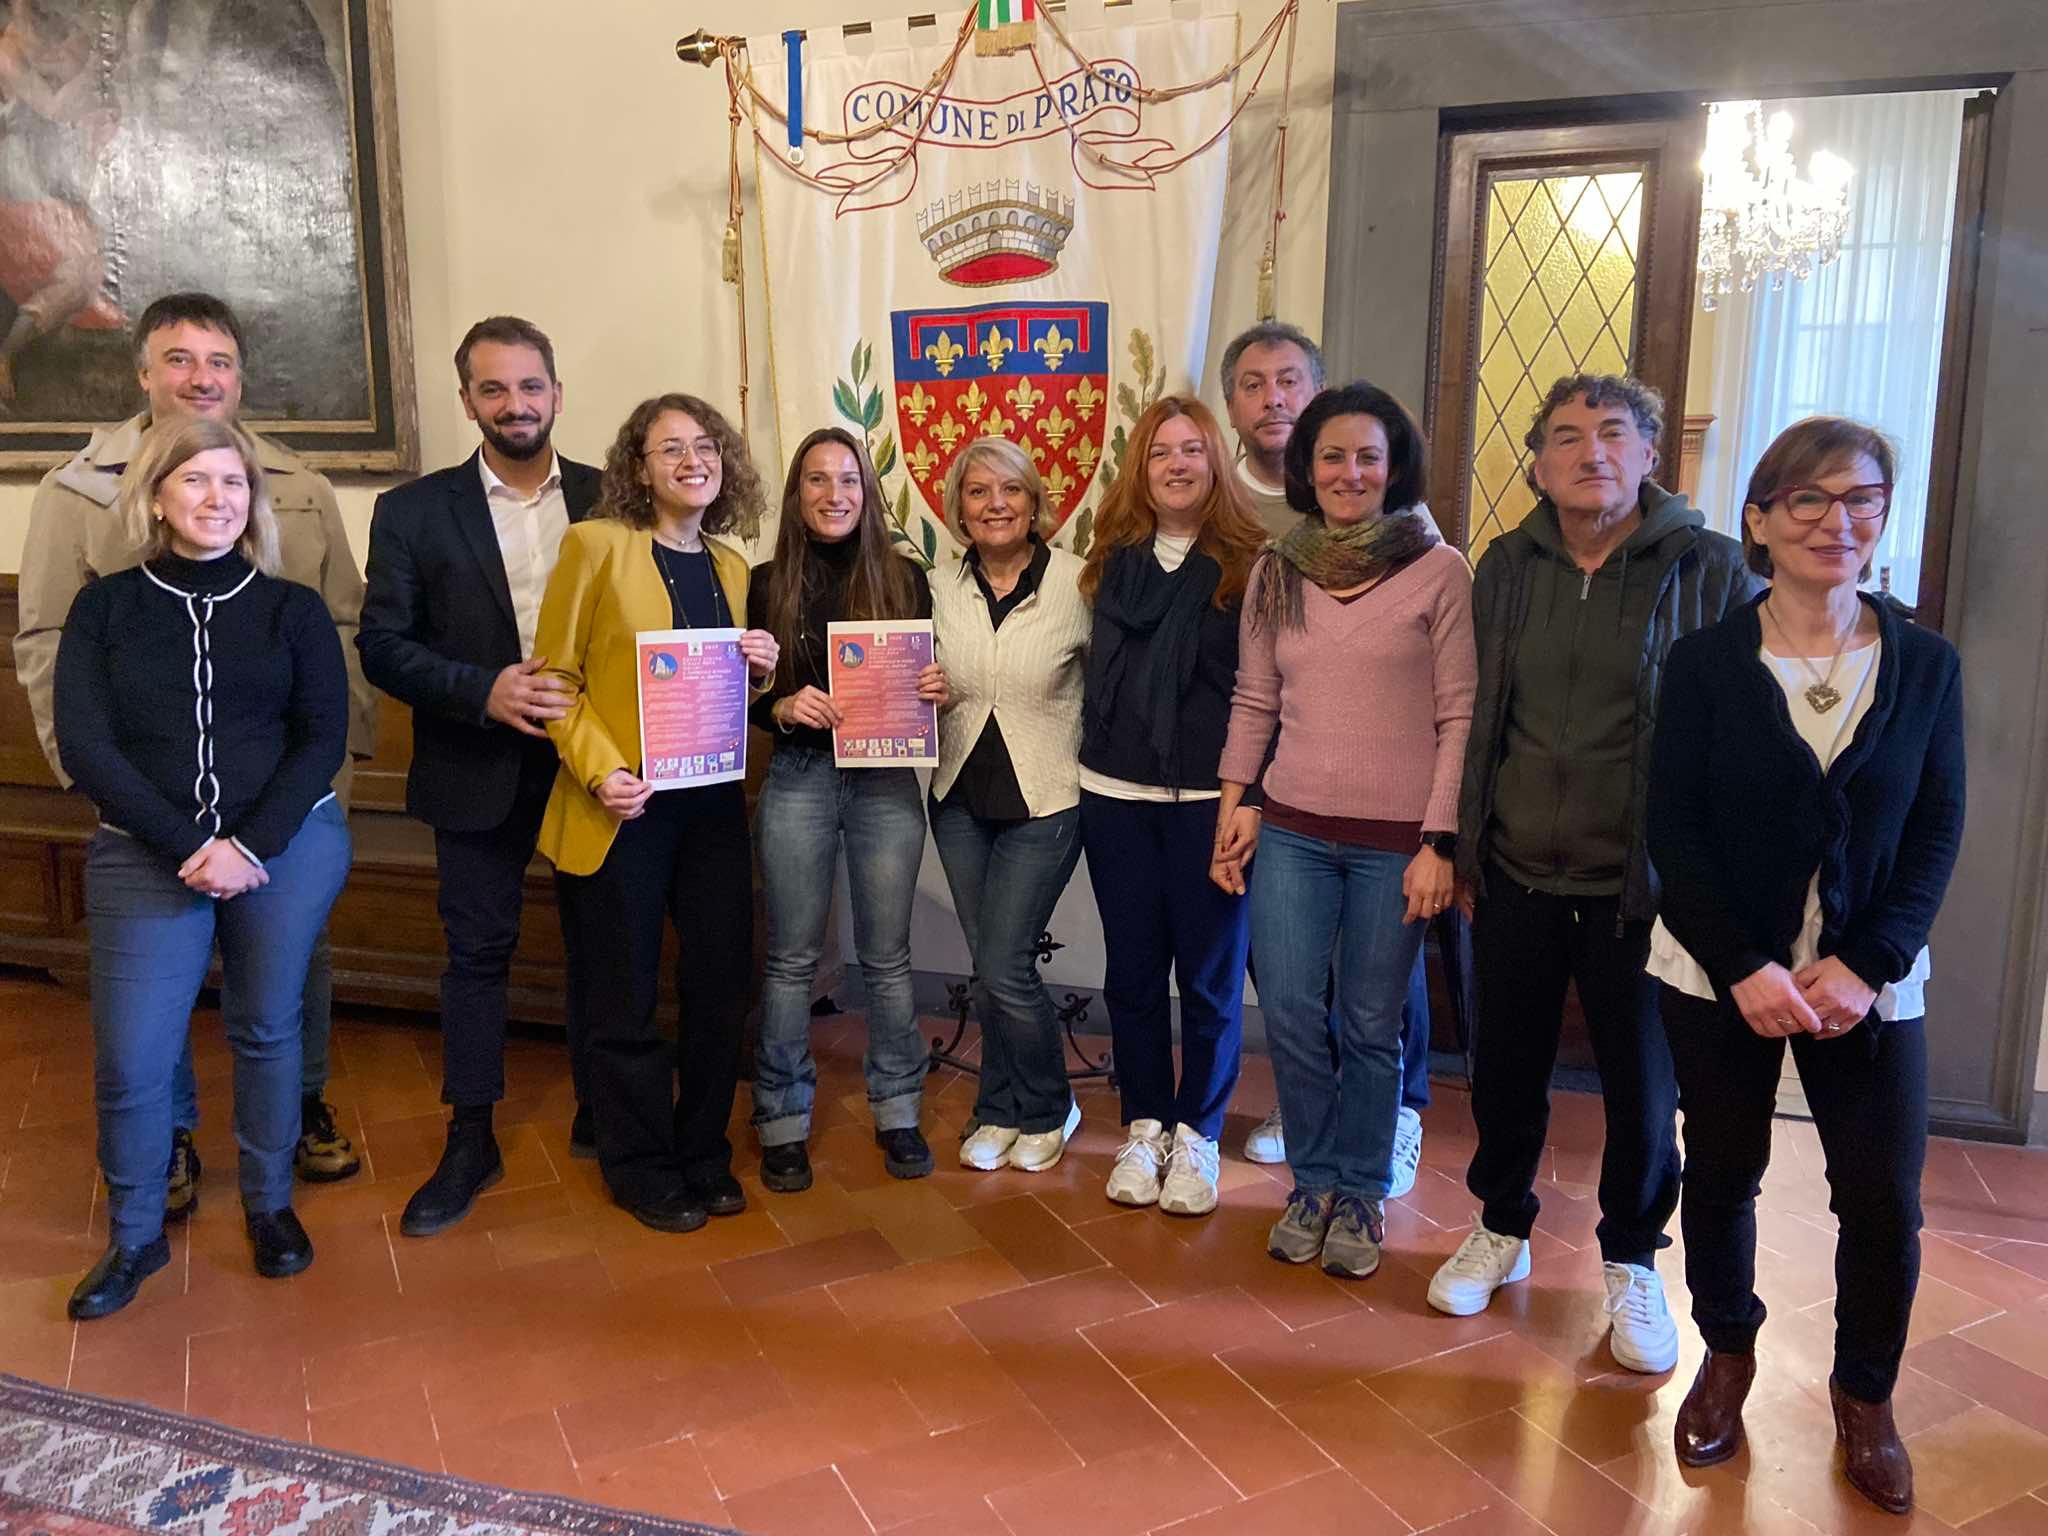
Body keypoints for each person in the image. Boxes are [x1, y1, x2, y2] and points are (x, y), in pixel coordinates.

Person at [1649, 418, 1963, 1516]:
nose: (1838, 522)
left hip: (1867, 983)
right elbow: (1671, 831)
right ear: (1759, 520)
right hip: (1716, 975)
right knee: (1722, 1174)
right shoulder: (1702, 664)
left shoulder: (1923, 664)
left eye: (1861, 500)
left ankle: (1863, 1397)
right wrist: (1742, 964)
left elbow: (1935, 827)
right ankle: (1725, 1355)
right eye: (1808, 502)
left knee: (1880, 1202)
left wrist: (1866, 964)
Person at [18, 291, 374, 1223]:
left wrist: (322, 789)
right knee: (154, 989)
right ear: (144, 374)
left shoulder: (296, 483)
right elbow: (52, 639)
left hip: (282, 806)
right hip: (142, 800)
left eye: (218, 361)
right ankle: (173, 1137)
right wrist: (107, 789)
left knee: (291, 982)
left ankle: (298, 1113)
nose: (201, 377)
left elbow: (337, 628)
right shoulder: (78, 486)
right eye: (179, 359)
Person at [1434, 374, 1758, 1375]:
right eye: (1566, 438)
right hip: (1516, 871)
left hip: (1643, 893)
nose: (1589, 454)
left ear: (1648, 454)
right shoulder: (1506, 567)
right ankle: (1500, 1223)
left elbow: (1741, 733)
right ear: (1537, 463)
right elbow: (1474, 714)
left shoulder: (1709, 571)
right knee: (1505, 1070)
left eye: (1611, 435)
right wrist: (1456, 845)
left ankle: (1628, 1257)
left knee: (1638, 1086)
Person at [56, 417, 350, 1318]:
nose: (217, 500)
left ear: (253, 502)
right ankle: (135, 1235)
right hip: (144, 853)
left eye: (234, 484)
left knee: (266, 1029)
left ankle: (269, 1206)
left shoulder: (292, 609)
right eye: (195, 482)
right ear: (155, 496)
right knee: (133, 1055)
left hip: (286, 846)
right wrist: (190, 845)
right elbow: (86, 745)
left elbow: (320, 741)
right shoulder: (104, 607)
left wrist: (249, 846)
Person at [1212, 382, 1474, 1279]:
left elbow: (1460, 716)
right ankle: (1313, 1183)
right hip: (1289, 831)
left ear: (1394, 466)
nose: (1350, 472)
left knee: (1368, 1020)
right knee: (1287, 1009)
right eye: (1332, 456)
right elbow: (1256, 698)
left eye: (1368, 456)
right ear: (1306, 468)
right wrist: (1232, 805)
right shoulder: (1279, 569)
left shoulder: (1441, 571)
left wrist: (1439, 842)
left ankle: (1361, 1188)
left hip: (1395, 843)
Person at [358, 316, 601, 1236]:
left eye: (530, 386)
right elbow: (382, 646)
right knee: (477, 956)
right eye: (493, 389)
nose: (515, 404)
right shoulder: (413, 512)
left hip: (594, 766)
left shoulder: (610, 495)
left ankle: (604, 1112)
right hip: (476, 763)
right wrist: (480, 690)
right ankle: (471, 1136)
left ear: (556, 394)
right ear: (468, 401)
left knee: (603, 946)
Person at [534, 393, 775, 1233]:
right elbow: (553, 684)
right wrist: (603, 773)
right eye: (669, 448)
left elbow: (717, 697)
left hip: (709, 808)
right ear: (638, 466)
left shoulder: (733, 567)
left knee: (717, 984)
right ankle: (637, 1163)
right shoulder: (595, 546)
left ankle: (702, 1150)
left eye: (705, 446)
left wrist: (761, 669)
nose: (691, 461)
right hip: (622, 811)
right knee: (623, 994)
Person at [1077, 397, 1266, 1217]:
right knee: (1132, 974)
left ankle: (1199, 1135)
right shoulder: (1107, 562)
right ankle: (1146, 1123)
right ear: (1140, 471)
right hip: (1114, 796)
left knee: (1214, 978)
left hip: (1208, 802)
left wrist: (1248, 798)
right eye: (1160, 454)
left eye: (1193, 449)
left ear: (1215, 462)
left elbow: (1268, 692)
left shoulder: (1252, 565)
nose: (1178, 465)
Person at [747, 427, 948, 1191]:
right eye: (817, 481)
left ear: (869, 495)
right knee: (793, 957)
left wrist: (936, 688)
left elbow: (928, 678)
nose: (834, 495)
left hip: (884, 782)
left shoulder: (906, 579)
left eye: (849, 481)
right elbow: (747, 697)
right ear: (797, 496)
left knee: (888, 959)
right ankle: (782, 1118)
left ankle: (897, 1109)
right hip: (798, 775)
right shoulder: (765, 583)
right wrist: (781, 704)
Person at [929, 436, 1092, 1173]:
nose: (995, 504)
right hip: (958, 798)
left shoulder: (1081, 585)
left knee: (1003, 962)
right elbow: (899, 675)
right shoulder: (934, 588)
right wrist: (915, 688)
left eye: (1011, 490)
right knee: (989, 962)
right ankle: (998, 1107)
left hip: (1048, 798)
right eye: (978, 491)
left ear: (1035, 503)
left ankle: (1051, 1105)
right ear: (958, 508)